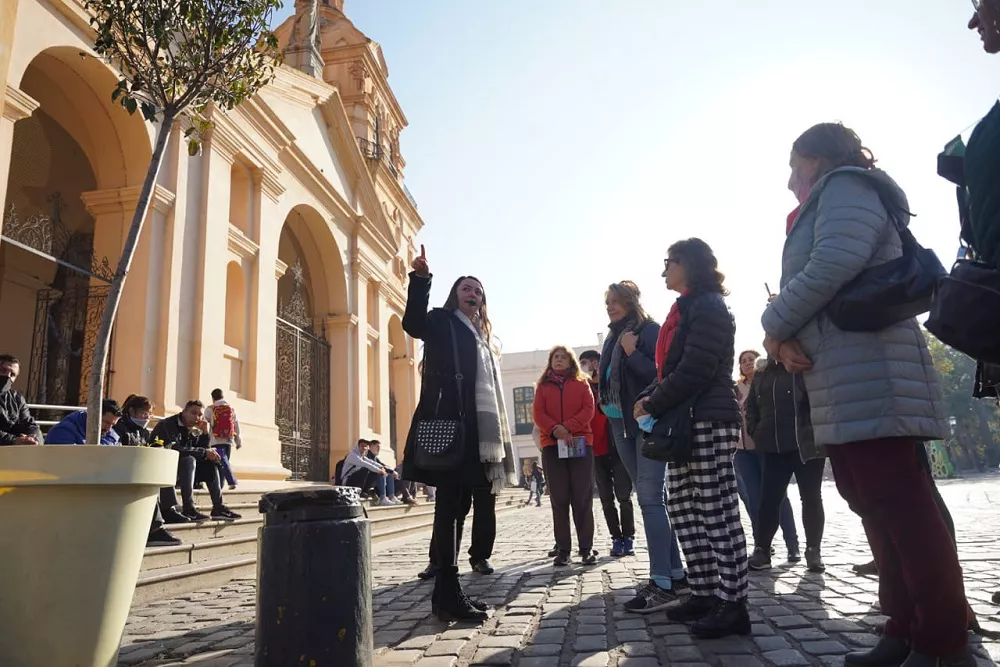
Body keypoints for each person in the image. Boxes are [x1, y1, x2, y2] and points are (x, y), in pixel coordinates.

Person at [761, 122, 971, 667]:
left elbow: (834, 264)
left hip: (873, 374)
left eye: (793, 166)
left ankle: (942, 641)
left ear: (816, 159)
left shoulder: (846, 187)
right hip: (844, 377)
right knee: (873, 505)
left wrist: (773, 322)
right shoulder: (832, 195)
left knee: (903, 510)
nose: (789, 181)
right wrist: (786, 343)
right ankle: (902, 627)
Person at [635, 238, 749, 638]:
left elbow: (698, 368)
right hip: (684, 420)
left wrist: (653, 402)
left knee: (715, 509)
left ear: (690, 264)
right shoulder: (682, 309)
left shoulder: (710, 307)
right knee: (684, 509)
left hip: (709, 417)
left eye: (670, 262)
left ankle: (733, 602)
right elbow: (673, 369)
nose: (664, 269)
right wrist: (651, 395)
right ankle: (703, 592)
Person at [401, 246, 516, 622]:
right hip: (449, 425)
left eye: (478, 291)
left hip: (473, 430)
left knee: (458, 506)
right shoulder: (442, 321)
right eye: (467, 288)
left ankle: (448, 592)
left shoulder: (483, 339)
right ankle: (446, 593)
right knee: (450, 508)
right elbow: (413, 324)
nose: (473, 293)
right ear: (456, 294)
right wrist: (420, 281)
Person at [598, 281, 686, 613]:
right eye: (607, 301)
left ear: (631, 302)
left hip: (645, 423)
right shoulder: (611, 338)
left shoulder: (648, 330)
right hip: (619, 424)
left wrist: (633, 353)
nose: (610, 306)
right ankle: (676, 576)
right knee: (650, 499)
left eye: (616, 301)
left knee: (650, 499)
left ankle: (661, 583)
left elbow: (661, 373)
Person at [745, 355, 826, 573]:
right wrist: (756, 431)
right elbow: (751, 405)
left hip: (807, 445)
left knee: (811, 497)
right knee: (769, 499)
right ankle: (762, 550)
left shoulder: (806, 366)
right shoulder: (762, 374)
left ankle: (813, 550)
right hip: (773, 446)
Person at [532, 345, 597, 567]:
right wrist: (556, 430)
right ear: (551, 362)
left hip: (579, 443)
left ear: (571, 362)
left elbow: (589, 409)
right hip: (552, 444)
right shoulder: (542, 386)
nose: (559, 360)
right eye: (555, 357)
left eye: (563, 357)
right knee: (559, 500)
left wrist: (568, 427)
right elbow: (538, 413)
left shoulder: (582, 383)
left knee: (582, 498)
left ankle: (586, 549)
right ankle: (563, 550)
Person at [733, 349, 799, 563]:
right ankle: (762, 546)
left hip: (766, 447)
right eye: (743, 361)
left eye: (751, 359)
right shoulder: (735, 389)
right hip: (742, 452)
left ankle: (793, 545)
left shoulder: (766, 382)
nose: (747, 363)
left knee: (778, 497)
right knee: (753, 499)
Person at [580, 349, 635, 558]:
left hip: (616, 447)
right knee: (605, 499)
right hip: (595, 450)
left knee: (624, 496)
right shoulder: (582, 387)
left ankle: (628, 536)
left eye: (592, 362)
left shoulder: (610, 382)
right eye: (585, 363)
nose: (590, 366)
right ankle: (616, 537)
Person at [152, 400, 241, 522]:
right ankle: (189, 508)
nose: (197, 417)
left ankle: (218, 507)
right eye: (193, 413)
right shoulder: (169, 424)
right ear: (184, 412)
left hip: (183, 470)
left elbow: (203, 450)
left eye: (200, 415)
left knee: (211, 461)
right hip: (163, 467)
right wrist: (204, 452)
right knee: (189, 460)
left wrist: (205, 433)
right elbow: (176, 448)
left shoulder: (196, 428)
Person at [115, 394, 184, 547]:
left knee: (159, 474)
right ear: (132, 411)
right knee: (148, 486)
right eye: (143, 413)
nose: (146, 417)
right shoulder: (120, 427)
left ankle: (168, 510)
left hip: (137, 471)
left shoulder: (144, 432)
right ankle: (154, 529)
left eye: (149, 414)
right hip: (123, 472)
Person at [417, 486, 497, 578]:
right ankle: (438, 560)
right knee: (449, 507)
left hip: (484, 472)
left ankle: (480, 557)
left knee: (485, 508)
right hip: (454, 472)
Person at [0, 354, 42, 445]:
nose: (8, 376)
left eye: (12, 374)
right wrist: (14, 440)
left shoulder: (17, 398)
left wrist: (33, 438)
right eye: (3, 370)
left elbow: (29, 424)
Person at [44, 399, 122, 446]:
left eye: (112, 425)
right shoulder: (62, 432)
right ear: (93, 415)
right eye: (106, 422)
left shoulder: (111, 436)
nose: (108, 429)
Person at [206, 389, 241, 490]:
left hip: (215, 440)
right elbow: (236, 426)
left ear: (213, 398)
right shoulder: (231, 409)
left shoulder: (210, 409)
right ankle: (220, 486)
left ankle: (231, 481)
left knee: (221, 463)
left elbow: (205, 421)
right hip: (228, 440)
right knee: (223, 462)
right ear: (222, 396)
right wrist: (238, 441)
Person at [368, 440, 402, 505]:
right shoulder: (367, 455)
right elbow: (376, 466)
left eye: (379, 447)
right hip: (367, 480)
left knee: (389, 474)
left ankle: (391, 496)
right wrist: (391, 471)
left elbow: (382, 465)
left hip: (373, 478)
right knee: (382, 473)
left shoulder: (375, 457)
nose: (379, 449)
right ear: (371, 446)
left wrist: (392, 471)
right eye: (377, 446)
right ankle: (382, 498)